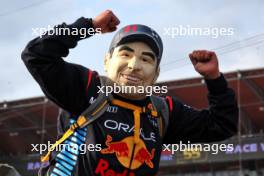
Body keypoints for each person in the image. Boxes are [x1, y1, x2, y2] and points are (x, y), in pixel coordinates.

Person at [22, 10, 238, 176]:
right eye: (125, 54)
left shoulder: (164, 111)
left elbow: (222, 125)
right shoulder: (86, 88)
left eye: (146, 59)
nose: (134, 65)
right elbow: (36, 55)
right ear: (107, 61)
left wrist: (214, 79)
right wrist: (88, 26)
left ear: (156, 74)